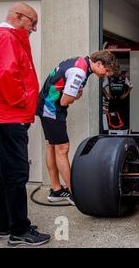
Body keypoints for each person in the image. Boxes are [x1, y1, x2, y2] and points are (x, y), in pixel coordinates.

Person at [0, 2, 51, 246]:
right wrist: (22, 101)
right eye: (32, 23)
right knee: (17, 172)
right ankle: (19, 231)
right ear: (17, 17)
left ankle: (5, 225)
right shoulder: (6, 37)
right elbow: (6, 74)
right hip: (8, 116)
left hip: (4, 116)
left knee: (7, 171)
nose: (34, 28)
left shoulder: (3, 37)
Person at [35, 50, 116, 204]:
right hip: (51, 108)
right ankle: (74, 193)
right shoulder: (79, 71)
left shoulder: (81, 62)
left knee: (52, 146)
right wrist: (76, 95)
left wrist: (74, 94)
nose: (105, 75)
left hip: (48, 105)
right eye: (105, 71)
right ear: (99, 64)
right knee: (62, 148)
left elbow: (69, 94)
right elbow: (66, 100)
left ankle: (56, 190)